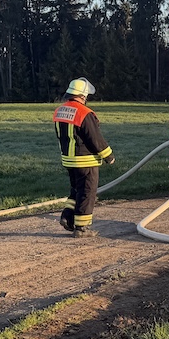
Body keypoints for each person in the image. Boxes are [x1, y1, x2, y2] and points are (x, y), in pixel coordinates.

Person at [53, 77, 115, 238]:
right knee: (87, 192)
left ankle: (67, 216)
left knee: (76, 190)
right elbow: (94, 138)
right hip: (85, 161)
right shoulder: (84, 113)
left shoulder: (60, 111)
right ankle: (81, 228)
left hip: (68, 160)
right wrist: (108, 156)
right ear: (82, 96)